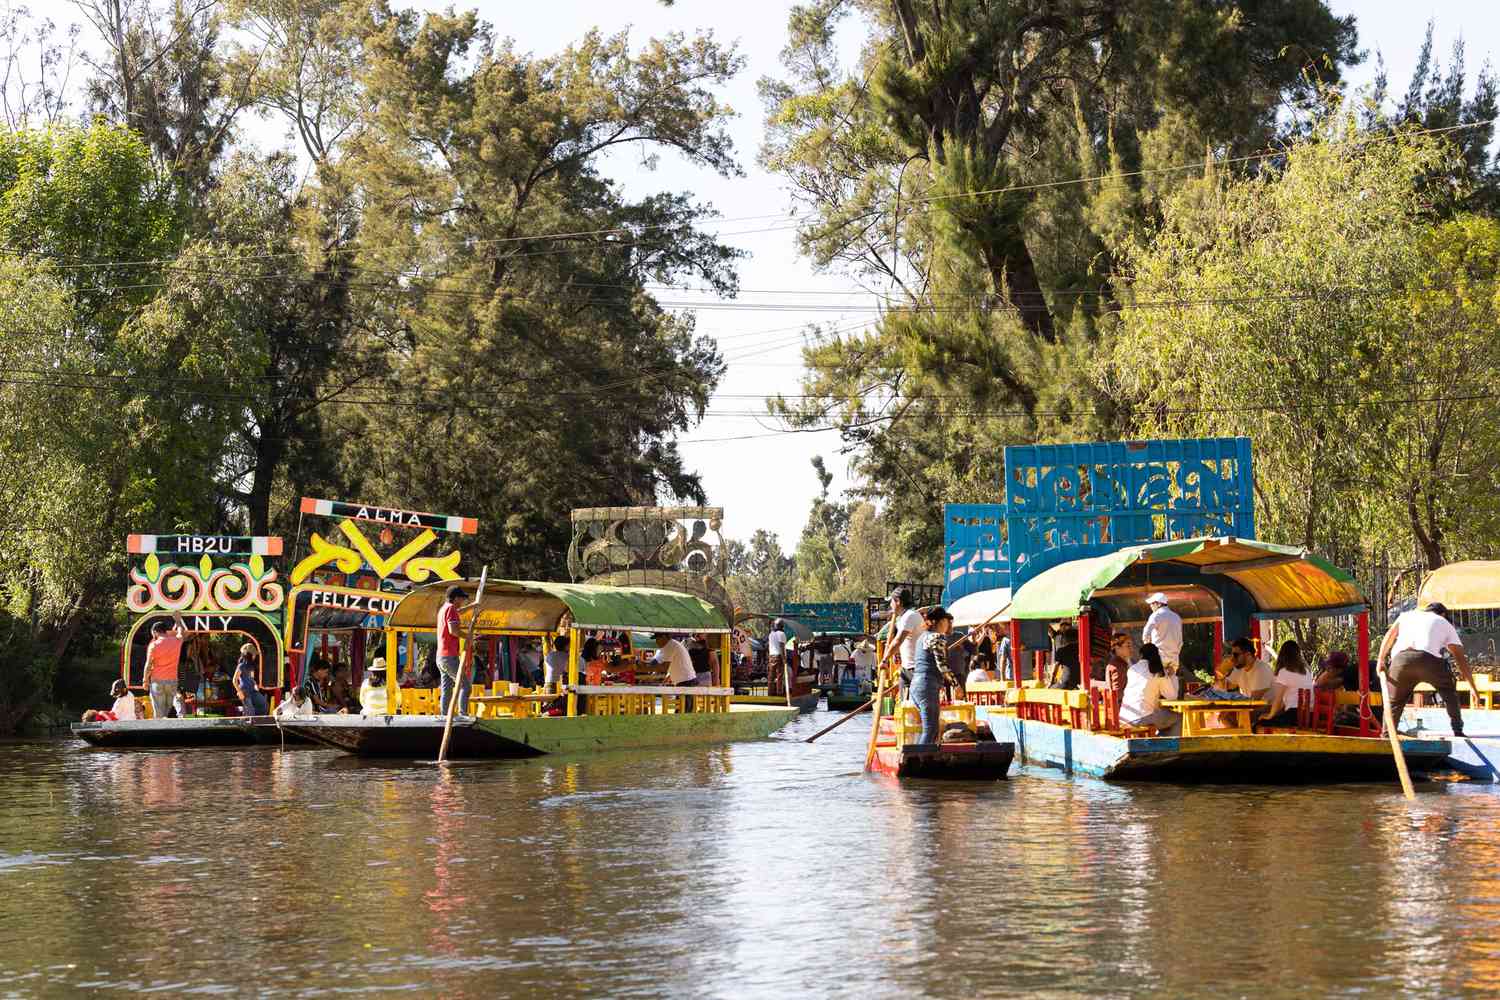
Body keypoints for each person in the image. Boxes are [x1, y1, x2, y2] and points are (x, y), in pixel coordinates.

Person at [1377, 601, 1475, 737]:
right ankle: (1458, 729)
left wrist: (1380, 660)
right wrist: (1472, 687)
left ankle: (1387, 733)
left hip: (1400, 661)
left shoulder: (1406, 616)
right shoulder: (1443, 621)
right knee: (1448, 691)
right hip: (1428, 661)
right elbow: (1460, 658)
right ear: (1443, 614)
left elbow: (1389, 636)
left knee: (1394, 701)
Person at [910, 606, 954, 744]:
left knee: (930, 729)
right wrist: (956, 685)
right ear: (940, 622)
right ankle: (919, 760)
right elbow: (942, 665)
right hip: (926, 686)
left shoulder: (922, 637)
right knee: (930, 729)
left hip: (917, 686)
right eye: (947, 621)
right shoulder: (936, 637)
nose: (949, 624)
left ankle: (922, 757)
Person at [1119, 642, 1181, 735]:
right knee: (1179, 718)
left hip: (1124, 717)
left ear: (1141, 655)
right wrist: (1172, 675)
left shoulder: (1132, 669)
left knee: (1161, 716)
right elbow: (1172, 696)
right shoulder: (1159, 672)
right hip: (1142, 717)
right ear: (1157, 655)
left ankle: (1159, 743)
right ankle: (1168, 747)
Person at [436, 585, 478, 716]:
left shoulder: (444, 609)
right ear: (456, 598)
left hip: (441, 657)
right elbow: (453, 630)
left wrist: (472, 606)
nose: (462, 602)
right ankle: (463, 714)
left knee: (446, 689)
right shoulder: (451, 609)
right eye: (461, 599)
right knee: (465, 686)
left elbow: (458, 611)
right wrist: (468, 636)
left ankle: (444, 716)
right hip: (449, 656)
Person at [142, 611, 189, 720]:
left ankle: (159, 730)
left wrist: (145, 680)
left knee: (159, 711)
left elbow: (148, 665)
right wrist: (177, 620)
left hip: (157, 680)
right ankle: (180, 714)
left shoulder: (153, 645)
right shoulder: (176, 641)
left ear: (155, 632)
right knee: (168, 708)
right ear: (165, 631)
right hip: (172, 680)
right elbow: (181, 632)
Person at [878, 588, 926, 689]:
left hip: (916, 668)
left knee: (914, 703)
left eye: (891, 601)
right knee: (903, 701)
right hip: (907, 668)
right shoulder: (903, 617)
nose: (890, 605)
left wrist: (885, 660)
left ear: (898, 602)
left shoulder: (910, 616)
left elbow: (898, 641)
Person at [1259, 640, 1315, 726]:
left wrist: (1270, 716)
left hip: (1295, 716)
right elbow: (1283, 703)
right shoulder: (1306, 670)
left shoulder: (1284, 672)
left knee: (1259, 723)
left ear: (1282, 655)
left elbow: (1278, 700)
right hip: (1310, 715)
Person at [1216, 636, 1274, 701]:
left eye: (1235, 655)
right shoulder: (1240, 669)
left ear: (1248, 655)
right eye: (1231, 654)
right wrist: (1221, 674)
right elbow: (1223, 687)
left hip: (1268, 710)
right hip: (1253, 709)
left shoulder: (1262, 670)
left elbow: (1253, 702)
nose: (1232, 658)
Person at [652, 633, 698, 710]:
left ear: (664, 637)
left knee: (683, 712)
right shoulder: (670, 645)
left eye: (657, 639)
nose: (656, 642)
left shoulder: (670, 645)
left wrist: (641, 666)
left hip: (686, 682)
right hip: (685, 682)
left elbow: (662, 667)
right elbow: (656, 661)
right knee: (683, 711)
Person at [233, 644, 269, 718]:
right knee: (250, 712)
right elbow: (234, 680)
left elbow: (252, 679)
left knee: (263, 704)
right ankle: (245, 715)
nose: (254, 656)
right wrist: (239, 692)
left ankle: (259, 722)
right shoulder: (241, 666)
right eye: (253, 654)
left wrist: (255, 685)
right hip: (245, 691)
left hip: (252, 690)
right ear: (248, 655)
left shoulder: (251, 666)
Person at [1103, 632, 1132, 708]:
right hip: (1122, 710)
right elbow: (1117, 693)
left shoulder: (1119, 663)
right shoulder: (1117, 666)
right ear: (1117, 648)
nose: (1131, 649)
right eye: (1128, 645)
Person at [1048, 624, 1081, 689]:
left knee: (1050, 689)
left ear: (1065, 638)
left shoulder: (1061, 650)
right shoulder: (1082, 650)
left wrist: (1051, 683)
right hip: (1079, 683)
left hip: (1066, 683)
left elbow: (1054, 670)